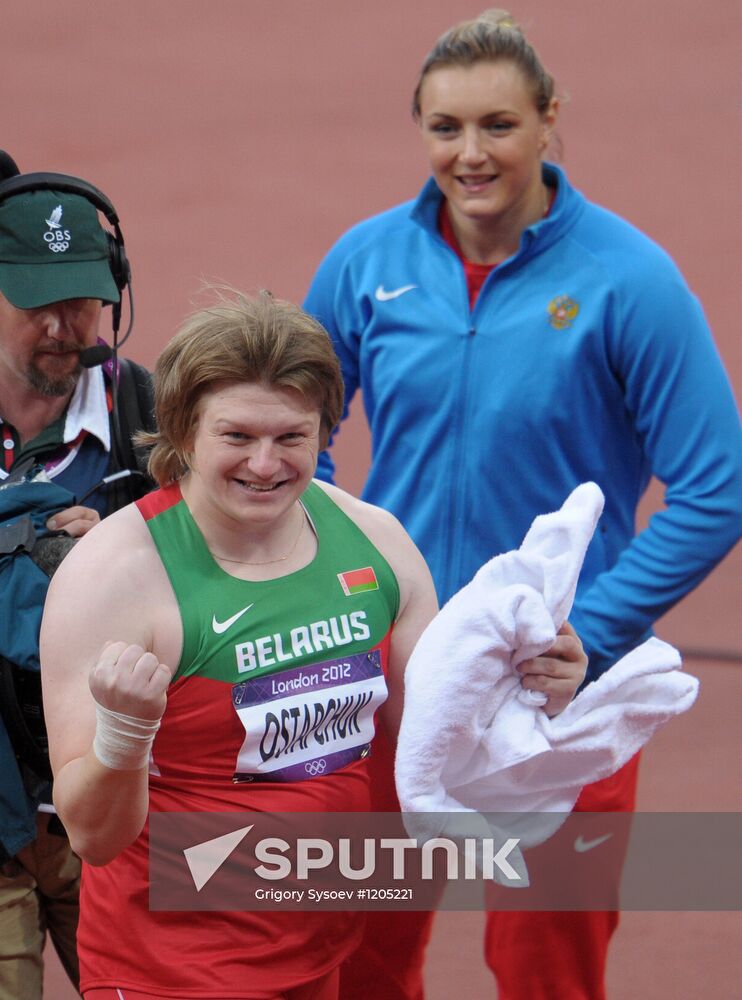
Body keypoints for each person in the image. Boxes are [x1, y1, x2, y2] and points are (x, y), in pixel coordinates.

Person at [303, 9, 742, 1000]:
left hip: (558, 686)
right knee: (363, 956)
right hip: (396, 666)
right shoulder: (366, 265)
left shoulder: (629, 281)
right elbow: (292, 438)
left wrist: (595, 627)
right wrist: (345, 572)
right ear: (419, 129)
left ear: (550, 122)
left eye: (498, 125)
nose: (471, 154)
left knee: (549, 970)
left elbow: (717, 484)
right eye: (445, 127)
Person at [39, 289, 587, 1000]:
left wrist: (533, 683)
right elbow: (92, 835)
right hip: (172, 971)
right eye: (237, 437)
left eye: (291, 438)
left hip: (321, 950)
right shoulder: (116, 578)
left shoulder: (377, 544)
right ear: (183, 432)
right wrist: (124, 733)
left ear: (324, 431)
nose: (265, 466)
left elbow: (448, 736)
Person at [0, 152, 154, 1000]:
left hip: (117, 811)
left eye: (84, 298)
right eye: (34, 298)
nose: (64, 326)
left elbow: (262, 567)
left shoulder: (159, 425)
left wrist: (130, 553)